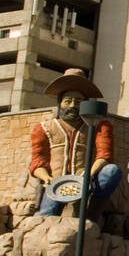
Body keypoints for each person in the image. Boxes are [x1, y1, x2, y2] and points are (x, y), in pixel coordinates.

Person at [30, 70, 122, 220]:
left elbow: (105, 155)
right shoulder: (43, 128)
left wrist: (88, 176)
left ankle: (92, 214)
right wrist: (47, 178)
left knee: (112, 171)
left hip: (86, 180)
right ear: (60, 103)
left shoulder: (98, 126)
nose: (73, 106)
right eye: (68, 101)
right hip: (58, 183)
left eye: (78, 102)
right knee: (47, 217)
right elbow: (38, 160)